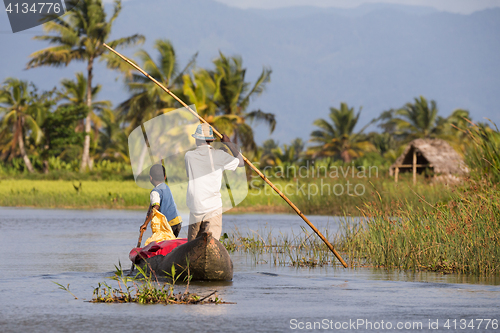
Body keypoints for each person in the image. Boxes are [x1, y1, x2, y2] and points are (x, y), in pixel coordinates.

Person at [185, 123, 244, 241]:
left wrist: (219, 153)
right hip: (213, 207)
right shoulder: (219, 155)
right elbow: (241, 162)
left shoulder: (189, 156)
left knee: (192, 247)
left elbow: (207, 160)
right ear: (211, 140)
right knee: (212, 243)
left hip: (195, 207)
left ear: (197, 139)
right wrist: (229, 144)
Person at [140, 164, 183, 245]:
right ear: (165, 177)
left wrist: (145, 224)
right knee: (170, 245)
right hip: (177, 222)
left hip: (168, 225)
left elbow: (156, 207)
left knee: (163, 244)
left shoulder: (155, 191)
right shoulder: (166, 187)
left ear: (150, 178)